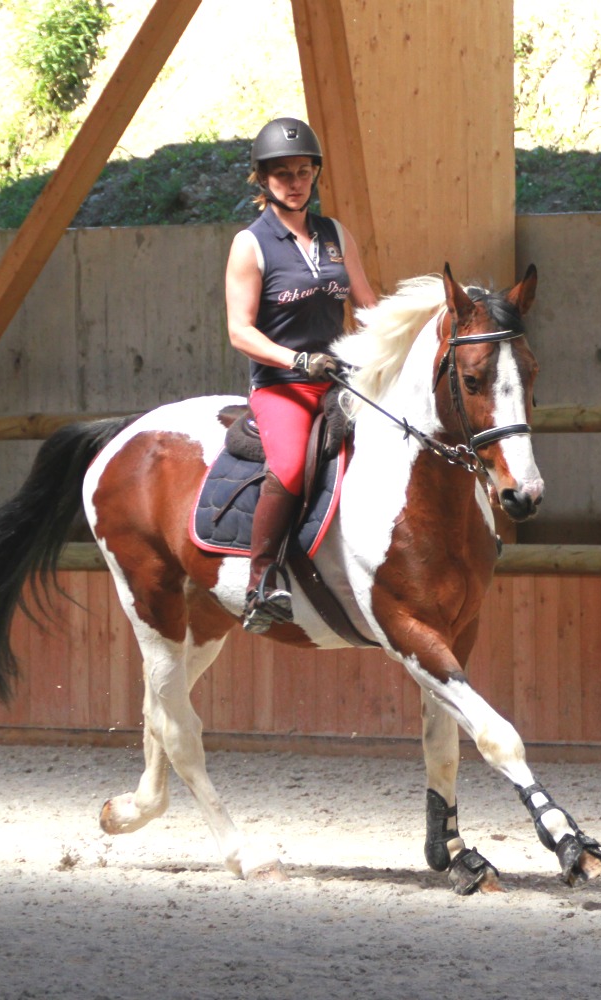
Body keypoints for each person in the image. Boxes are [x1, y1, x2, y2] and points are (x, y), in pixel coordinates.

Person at [225, 117, 377, 634]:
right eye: (283, 173)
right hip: (283, 385)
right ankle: (261, 582)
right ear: (262, 180)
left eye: (304, 171)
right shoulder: (251, 244)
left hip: (339, 380)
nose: (296, 182)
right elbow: (240, 332)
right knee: (289, 466)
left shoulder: (335, 235)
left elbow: (369, 306)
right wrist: (296, 360)